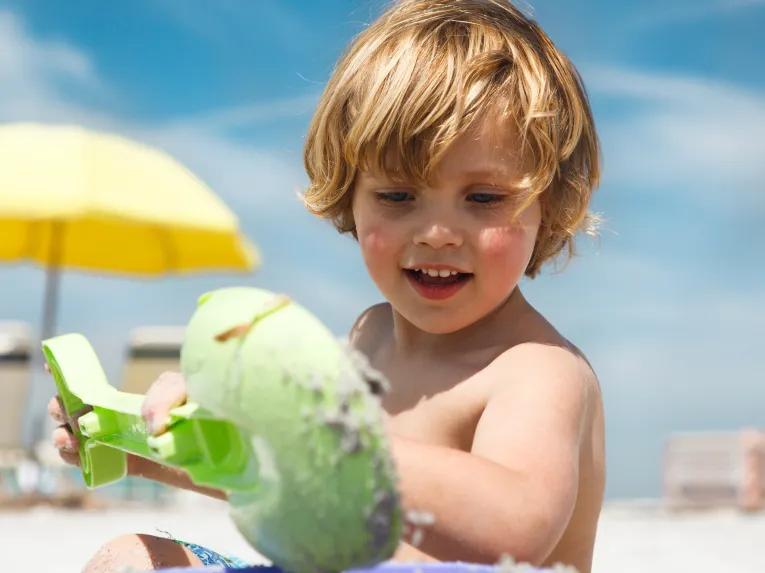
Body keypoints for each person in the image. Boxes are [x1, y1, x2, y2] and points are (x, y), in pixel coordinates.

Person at [49, 0, 605, 571]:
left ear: (550, 202)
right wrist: (150, 451)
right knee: (130, 559)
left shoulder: (536, 371)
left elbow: (516, 527)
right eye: (397, 196)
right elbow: (294, 485)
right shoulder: (370, 337)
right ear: (350, 194)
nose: (438, 234)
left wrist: (308, 427)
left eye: (484, 198)